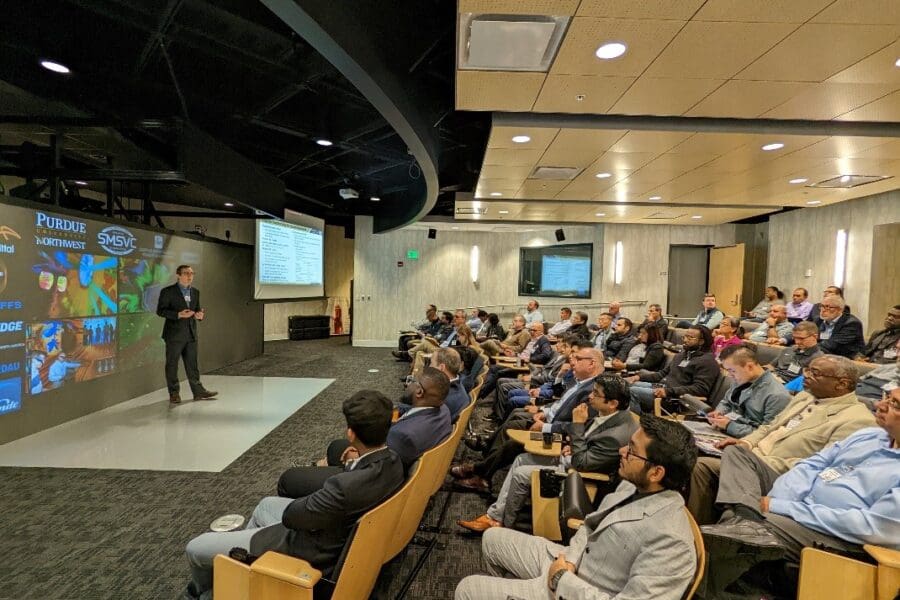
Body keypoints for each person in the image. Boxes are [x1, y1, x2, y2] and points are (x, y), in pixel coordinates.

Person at [183, 390, 404, 600]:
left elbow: (292, 516)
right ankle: (245, 576)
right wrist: (351, 464)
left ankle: (205, 594)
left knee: (196, 548)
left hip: (306, 548)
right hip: (335, 533)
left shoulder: (342, 488)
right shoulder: (394, 462)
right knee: (266, 505)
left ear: (350, 433)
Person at [454, 415, 698, 600]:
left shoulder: (673, 542)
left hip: (578, 588)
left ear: (657, 472)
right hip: (573, 562)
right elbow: (590, 526)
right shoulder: (634, 486)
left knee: (467, 588)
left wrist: (562, 579)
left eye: (632, 451)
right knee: (492, 538)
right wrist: (569, 560)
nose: (621, 451)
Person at [699, 388, 900, 597]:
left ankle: (701, 584)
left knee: (761, 527)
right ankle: (745, 517)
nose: (880, 405)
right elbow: (812, 465)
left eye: (895, 404)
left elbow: (870, 527)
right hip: (799, 501)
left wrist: (782, 508)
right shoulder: (869, 434)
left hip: (841, 536)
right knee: (738, 454)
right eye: (887, 398)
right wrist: (779, 501)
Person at [687, 355, 876, 525]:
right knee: (698, 464)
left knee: (727, 457)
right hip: (750, 457)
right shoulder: (804, 397)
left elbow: (823, 468)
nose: (806, 376)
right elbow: (770, 427)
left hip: (781, 473)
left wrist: (756, 459)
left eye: (815, 373)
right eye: (807, 369)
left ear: (841, 384)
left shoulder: (857, 419)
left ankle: (743, 521)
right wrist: (746, 443)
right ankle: (701, 529)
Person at [456, 376, 638, 532]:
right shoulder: (612, 415)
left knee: (521, 473)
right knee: (521, 459)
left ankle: (503, 524)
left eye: (596, 394)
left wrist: (577, 428)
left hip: (580, 477)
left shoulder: (616, 435)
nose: (590, 396)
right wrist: (575, 444)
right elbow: (590, 443)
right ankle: (495, 515)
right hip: (574, 458)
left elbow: (582, 464)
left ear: (613, 403)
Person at [451, 348, 603, 493]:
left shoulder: (594, 392)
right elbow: (560, 403)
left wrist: (546, 427)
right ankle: (485, 463)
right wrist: (544, 411)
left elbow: (579, 424)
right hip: (549, 421)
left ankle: (481, 472)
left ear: (592, 363)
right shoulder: (581, 383)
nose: (572, 362)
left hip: (559, 435)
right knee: (513, 423)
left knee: (514, 442)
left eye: (578, 359)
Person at [156, 265, 217, 404]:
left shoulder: (195, 292)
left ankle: (198, 392)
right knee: (172, 365)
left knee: (192, 365)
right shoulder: (168, 291)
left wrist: (200, 316)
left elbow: (196, 310)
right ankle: (174, 393)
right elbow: (161, 311)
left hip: (191, 334)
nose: (190, 276)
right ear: (178, 275)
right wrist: (178, 314)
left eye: (192, 273)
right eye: (186, 273)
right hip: (174, 335)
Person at [627, 325, 720, 414]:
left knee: (632, 391)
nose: (685, 340)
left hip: (675, 399)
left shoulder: (707, 361)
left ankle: (638, 424)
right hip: (662, 387)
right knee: (626, 385)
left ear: (701, 342)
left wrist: (669, 392)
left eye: (690, 338)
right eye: (685, 336)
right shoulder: (682, 355)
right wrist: (638, 377)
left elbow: (700, 389)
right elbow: (662, 374)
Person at [707, 343, 791, 438]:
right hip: (725, 430)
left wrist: (728, 426)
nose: (730, 375)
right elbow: (726, 402)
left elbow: (765, 435)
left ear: (749, 367)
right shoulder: (741, 378)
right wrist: (719, 412)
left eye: (732, 370)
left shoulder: (777, 395)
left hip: (744, 442)